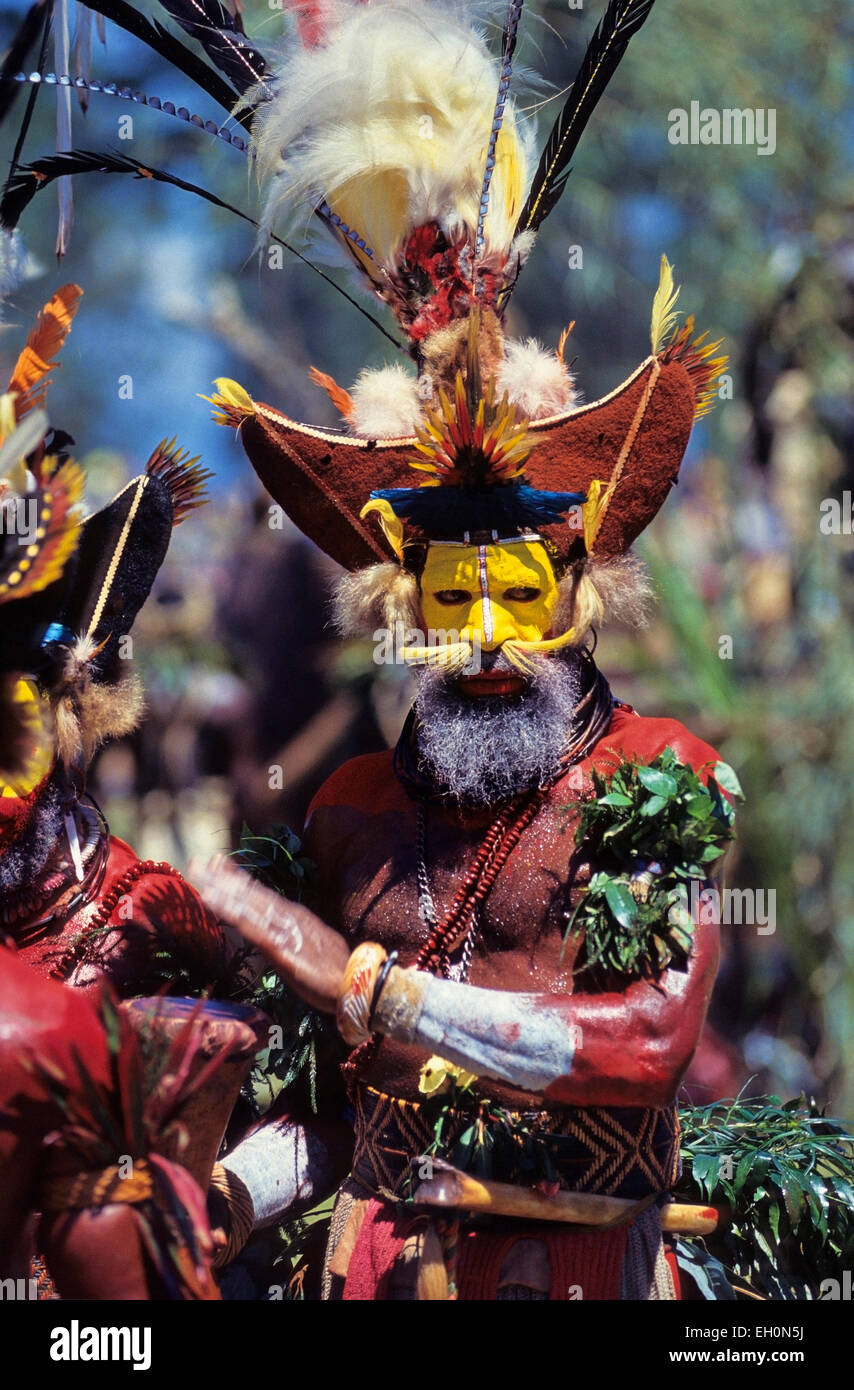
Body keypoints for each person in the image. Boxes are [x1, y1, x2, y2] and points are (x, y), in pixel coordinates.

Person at [198, 0, 734, 1299]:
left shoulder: (660, 778)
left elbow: (647, 1040)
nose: (488, 637)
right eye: (456, 602)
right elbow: (331, 1107)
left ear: (575, 594)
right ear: (404, 611)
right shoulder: (347, 811)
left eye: (517, 599)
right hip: (376, 1267)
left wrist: (374, 988)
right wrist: (228, 1192)